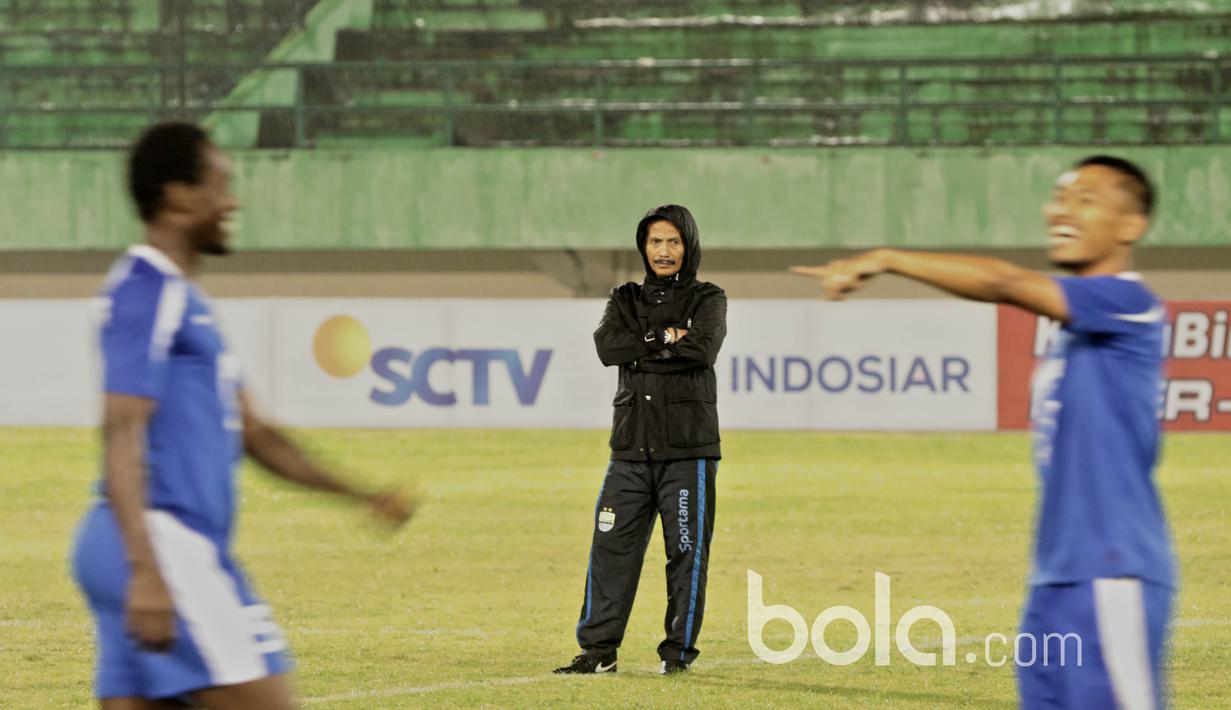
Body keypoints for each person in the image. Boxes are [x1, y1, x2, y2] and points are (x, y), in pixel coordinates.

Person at [793, 156, 1174, 709]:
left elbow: (1003, 281)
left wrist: (887, 258)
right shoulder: (1077, 329)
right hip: (1054, 581)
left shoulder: (1128, 303)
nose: (1061, 209)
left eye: (1086, 198)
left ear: (1130, 224)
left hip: (1112, 573)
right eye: (1059, 197)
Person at [71, 122, 416, 710]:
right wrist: (147, 568)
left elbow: (255, 435)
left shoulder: (186, 303)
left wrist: (357, 492)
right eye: (220, 186)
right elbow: (121, 428)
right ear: (179, 195)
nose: (232, 202)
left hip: (134, 544)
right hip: (162, 541)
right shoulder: (146, 287)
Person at [555, 204, 727, 676]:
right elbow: (608, 348)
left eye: (673, 241)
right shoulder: (624, 297)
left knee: (686, 555)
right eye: (655, 242)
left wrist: (647, 344)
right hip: (629, 452)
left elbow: (702, 349)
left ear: (688, 245)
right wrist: (665, 336)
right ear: (643, 247)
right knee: (610, 550)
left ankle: (677, 656)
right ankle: (598, 652)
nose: (664, 251)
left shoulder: (709, 298)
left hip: (687, 451)